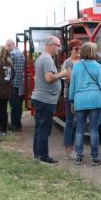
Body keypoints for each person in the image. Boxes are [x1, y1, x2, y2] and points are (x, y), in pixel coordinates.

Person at [69, 42, 101, 165]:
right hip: (95, 99)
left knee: (79, 130)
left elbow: (72, 86)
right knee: (94, 130)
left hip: (80, 100)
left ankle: (78, 156)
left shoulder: (76, 66)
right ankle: (95, 158)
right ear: (93, 52)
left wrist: (71, 101)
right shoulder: (97, 66)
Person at [31, 36, 68, 164]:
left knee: (39, 127)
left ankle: (37, 154)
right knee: (44, 129)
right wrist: (62, 73)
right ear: (50, 45)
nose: (59, 48)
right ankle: (43, 156)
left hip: (40, 98)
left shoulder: (42, 58)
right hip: (45, 100)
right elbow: (49, 78)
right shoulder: (47, 59)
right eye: (57, 45)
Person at [62, 39, 82, 159]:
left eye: (80, 48)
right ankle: (68, 150)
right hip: (70, 95)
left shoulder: (82, 61)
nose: (78, 51)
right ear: (71, 50)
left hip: (81, 96)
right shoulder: (67, 63)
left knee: (78, 123)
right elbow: (68, 80)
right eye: (76, 49)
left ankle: (76, 148)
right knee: (70, 122)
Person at [6, 39, 25, 132]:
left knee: (14, 106)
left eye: (7, 46)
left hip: (13, 84)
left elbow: (8, 70)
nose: (7, 48)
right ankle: (18, 124)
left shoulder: (12, 54)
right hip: (20, 84)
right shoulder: (21, 54)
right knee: (19, 106)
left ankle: (14, 125)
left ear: (10, 45)